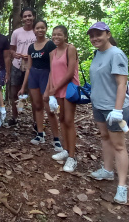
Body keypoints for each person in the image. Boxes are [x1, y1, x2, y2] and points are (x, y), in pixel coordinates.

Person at [86, 22, 129, 204]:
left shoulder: (116, 54)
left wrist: (118, 110)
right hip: (99, 105)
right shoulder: (98, 53)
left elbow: (122, 83)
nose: (95, 38)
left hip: (114, 108)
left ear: (108, 34)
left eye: (99, 34)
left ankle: (122, 186)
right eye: (92, 35)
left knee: (119, 145)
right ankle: (107, 170)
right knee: (104, 137)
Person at [18, 20, 60, 149]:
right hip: (33, 77)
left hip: (46, 76)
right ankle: (40, 134)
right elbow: (29, 68)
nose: (40, 30)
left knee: (49, 109)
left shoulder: (50, 45)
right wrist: (23, 87)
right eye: (38, 28)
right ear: (34, 30)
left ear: (46, 29)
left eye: (42, 28)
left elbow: (54, 67)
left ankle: (56, 138)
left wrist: (52, 86)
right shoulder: (31, 47)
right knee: (37, 106)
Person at [48, 25, 80, 172]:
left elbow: (69, 72)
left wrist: (56, 87)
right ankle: (66, 149)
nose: (56, 37)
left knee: (69, 120)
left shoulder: (70, 49)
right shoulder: (52, 53)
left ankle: (72, 158)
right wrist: (49, 90)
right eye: (54, 34)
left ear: (65, 36)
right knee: (61, 119)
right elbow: (51, 73)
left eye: (59, 34)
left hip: (69, 89)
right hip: (57, 91)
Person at [7, 8, 36, 127]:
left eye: (30, 16)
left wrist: (30, 56)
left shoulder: (37, 31)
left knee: (34, 94)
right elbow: (11, 49)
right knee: (14, 93)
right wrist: (14, 54)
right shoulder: (16, 32)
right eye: (25, 16)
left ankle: (36, 121)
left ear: (33, 17)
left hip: (33, 67)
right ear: (22, 18)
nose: (27, 18)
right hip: (17, 65)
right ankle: (14, 117)